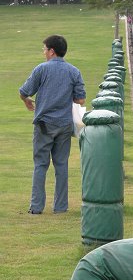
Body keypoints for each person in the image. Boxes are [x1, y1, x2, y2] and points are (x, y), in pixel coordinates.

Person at [19, 35, 86, 214]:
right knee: (61, 165)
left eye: (44, 49)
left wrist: (28, 102)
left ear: (51, 51)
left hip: (43, 125)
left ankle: (36, 207)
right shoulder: (74, 71)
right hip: (64, 125)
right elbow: (80, 99)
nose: (43, 53)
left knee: (40, 165)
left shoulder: (41, 69)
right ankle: (60, 207)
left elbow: (24, 91)